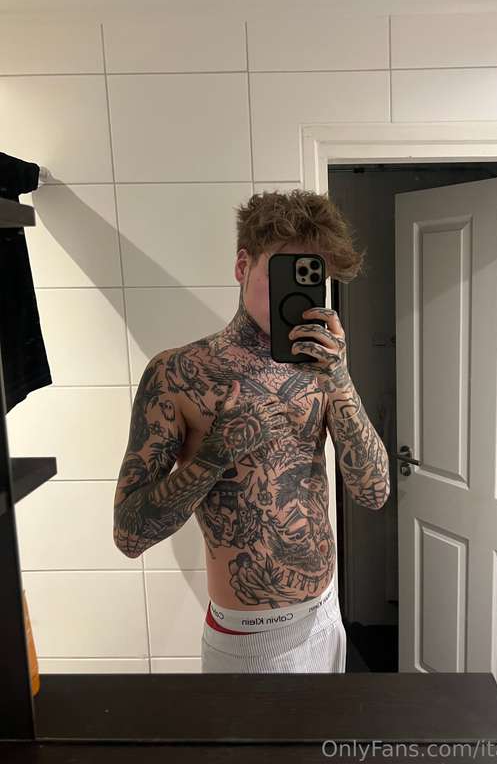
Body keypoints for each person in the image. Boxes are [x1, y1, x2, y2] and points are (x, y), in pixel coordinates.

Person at [113, 189, 391, 673]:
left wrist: (340, 378)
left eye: (312, 276)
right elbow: (129, 534)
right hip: (248, 641)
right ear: (243, 265)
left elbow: (375, 491)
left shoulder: (322, 368)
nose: (294, 294)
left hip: (326, 616)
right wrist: (214, 455)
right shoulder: (178, 374)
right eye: (282, 274)